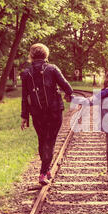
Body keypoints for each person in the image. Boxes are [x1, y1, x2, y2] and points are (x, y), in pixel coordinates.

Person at [20, 43, 73, 185]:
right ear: (46, 55)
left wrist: (24, 116)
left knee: (42, 140)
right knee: (50, 141)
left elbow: (25, 97)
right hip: (54, 111)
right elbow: (67, 87)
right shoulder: (52, 69)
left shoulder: (26, 73)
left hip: (36, 112)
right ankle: (43, 173)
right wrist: (67, 95)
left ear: (31, 56)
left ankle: (46, 168)